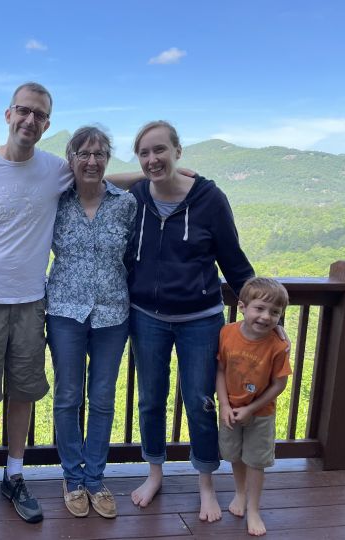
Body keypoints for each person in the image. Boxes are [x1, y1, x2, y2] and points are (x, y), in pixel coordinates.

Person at [0, 82, 145, 527]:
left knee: (23, 391)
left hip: (34, 301)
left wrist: (156, 174)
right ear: (8, 114)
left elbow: (96, 178)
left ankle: (15, 475)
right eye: (24, 110)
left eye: (39, 115)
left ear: (47, 123)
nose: (29, 120)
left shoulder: (55, 169)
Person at [127, 120, 255, 522]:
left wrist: (266, 313)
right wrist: (142, 174)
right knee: (150, 399)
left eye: (160, 150)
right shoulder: (136, 196)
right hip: (146, 316)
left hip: (200, 319)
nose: (152, 159)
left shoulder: (210, 199)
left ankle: (205, 484)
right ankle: (154, 473)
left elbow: (234, 262)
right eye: (144, 153)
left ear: (178, 152)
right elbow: (86, 178)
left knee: (201, 403)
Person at [46, 126, 137, 519]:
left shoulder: (125, 203)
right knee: (68, 396)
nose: (92, 161)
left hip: (113, 313)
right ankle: (72, 476)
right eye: (83, 153)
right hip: (64, 311)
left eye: (99, 154)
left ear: (108, 159)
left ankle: (95, 478)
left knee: (102, 398)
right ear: (71, 159)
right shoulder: (55, 201)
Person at [216, 277, 291, 537]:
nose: (266, 316)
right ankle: (240, 493)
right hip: (231, 410)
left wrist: (252, 408)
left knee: (256, 462)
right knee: (235, 455)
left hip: (261, 414)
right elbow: (220, 369)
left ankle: (254, 509)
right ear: (242, 307)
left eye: (274, 312)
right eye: (259, 308)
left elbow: (279, 384)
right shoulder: (227, 333)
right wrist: (224, 404)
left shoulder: (277, 346)